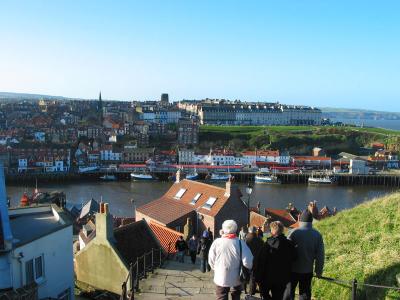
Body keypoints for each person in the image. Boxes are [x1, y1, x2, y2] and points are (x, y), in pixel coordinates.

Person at [283, 209, 325, 300]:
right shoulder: (317, 235)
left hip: (292, 269)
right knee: (304, 295)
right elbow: (320, 256)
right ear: (311, 220)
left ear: (299, 219)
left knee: (288, 293)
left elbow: (285, 251)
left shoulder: (293, 232)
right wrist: (318, 271)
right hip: (307, 270)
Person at [208, 220, 253, 300]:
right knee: (236, 295)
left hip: (221, 276)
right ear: (235, 229)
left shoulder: (217, 242)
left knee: (221, 296)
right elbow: (248, 262)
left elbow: (211, 260)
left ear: (223, 230)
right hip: (236, 278)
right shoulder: (240, 243)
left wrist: (216, 269)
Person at [255, 221, 296, 300]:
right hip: (283, 278)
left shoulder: (267, 244)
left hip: (267, 277)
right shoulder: (290, 244)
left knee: (264, 294)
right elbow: (295, 257)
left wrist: (257, 277)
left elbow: (261, 261)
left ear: (272, 231)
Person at [245, 226, 264, 295]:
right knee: (254, 276)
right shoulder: (260, 240)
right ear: (256, 231)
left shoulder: (246, 240)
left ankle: (250, 290)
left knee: (249, 275)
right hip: (257, 259)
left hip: (247, 259)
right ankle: (253, 291)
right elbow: (263, 250)